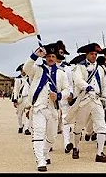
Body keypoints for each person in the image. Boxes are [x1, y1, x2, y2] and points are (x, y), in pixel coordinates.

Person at [24, 42, 70, 172]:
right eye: (48, 56)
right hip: (39, 107)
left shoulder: (61, 73)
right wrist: (35, 55)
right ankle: (40, 161)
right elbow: (26, 68)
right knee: (38, 133)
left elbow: (67, 90)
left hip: (53, 109)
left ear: (56, 58)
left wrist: (59, 95)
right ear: (45, 57)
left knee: (52, 137)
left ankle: (44, 152)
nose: (50, 58)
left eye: (53, 56)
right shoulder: (37, 69)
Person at [66, 42, 106, 163]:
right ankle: (76, 147)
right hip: (84, 101)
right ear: (87, 54)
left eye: (96, 54)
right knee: (79, 127)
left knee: (101, 126)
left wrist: (105, 95)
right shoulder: (79, 67)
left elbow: (105, 83)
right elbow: (78, 80)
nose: (94, 56)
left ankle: (100, 153)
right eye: (92, 54)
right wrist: (88, 87)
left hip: (96, 101)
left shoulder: (100, 69)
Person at [54, 40, 75, 154]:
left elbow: (70, 83)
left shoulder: (67, 68)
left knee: (66, 120)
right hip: (51, 98)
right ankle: (49, 143)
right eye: (59, 52)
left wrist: (71, 93)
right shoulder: (48, 68)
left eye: (62, 53)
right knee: (52, 121)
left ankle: (67, 143)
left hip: (64, 97)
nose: (61, 55)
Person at [12, 63, 32, 135]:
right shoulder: (18, 79)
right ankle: (20, 126)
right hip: (20, 98)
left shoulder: (30, 77)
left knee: (28, 113)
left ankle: (27, 128)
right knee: (19, 114)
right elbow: (16, 89)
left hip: (28, 97)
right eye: (23, 69)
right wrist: (14, 99)